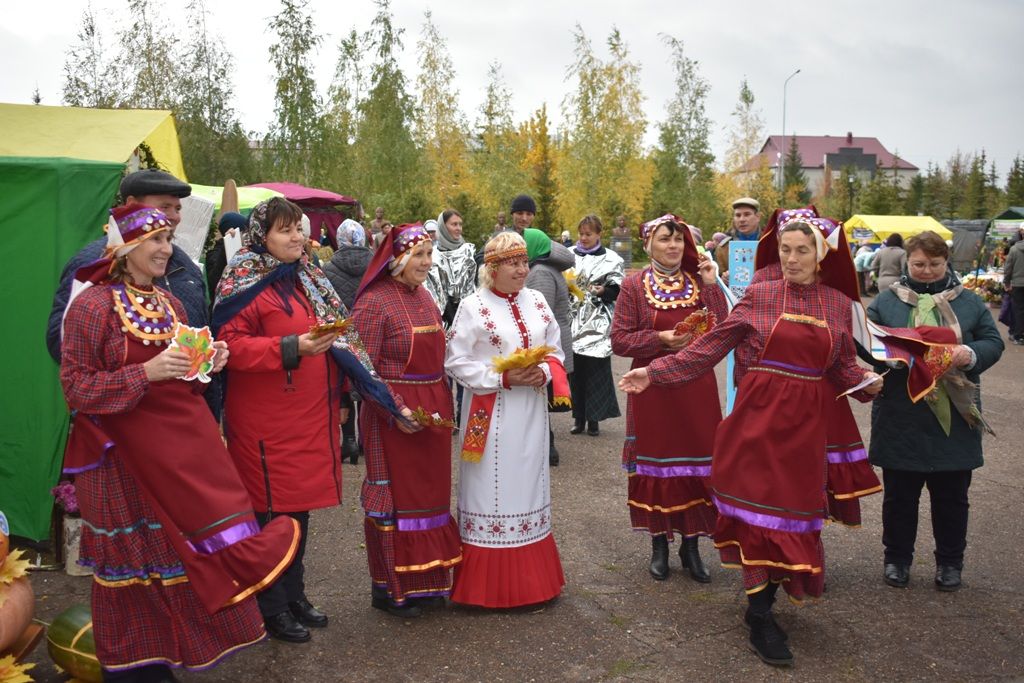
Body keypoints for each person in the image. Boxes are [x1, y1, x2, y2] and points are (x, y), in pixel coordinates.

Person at [620, 216, 885, 667]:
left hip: (806, 430)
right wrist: (654, 372)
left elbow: (841, 366)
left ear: (821, 254)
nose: (792, 259)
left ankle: (768, 597)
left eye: (802, 250)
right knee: (756, 519)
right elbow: (710, 346)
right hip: (756, 425)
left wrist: (865, 382)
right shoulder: (759, 295)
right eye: (785, 250)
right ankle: (760, 615)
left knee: (795, 519)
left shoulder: (839, 305)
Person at [60, 204, 301, 682]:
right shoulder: (91, 307)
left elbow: (187, 382)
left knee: (173, 562)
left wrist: (210, 362)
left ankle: (165, 662)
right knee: (130, 569)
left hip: (171, 460)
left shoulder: (170, 306)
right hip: (117, 463)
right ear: (125, 249)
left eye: (169, 240)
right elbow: (76, 389)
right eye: (156, 241)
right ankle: (131, 672)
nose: (166, 250)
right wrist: (143, 374)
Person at [213, 197, 400, 643]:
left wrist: (340, 395)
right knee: (271, 514)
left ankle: (293, 594)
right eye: (286, 231)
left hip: (307, 415)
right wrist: (290, 348)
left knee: (297, 511)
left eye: (300, 228)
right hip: (265, 423)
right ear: (263, 237)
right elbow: (230, 348)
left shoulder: (308, 278)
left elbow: (337, 340)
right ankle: (270, 605)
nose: (298, 237)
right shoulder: (243, 281)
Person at [868, 231, 1003, 591]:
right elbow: (865, 341)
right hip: (901, 411)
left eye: (934, 264)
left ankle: (950, 563)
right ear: (907, 263)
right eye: (919, 264)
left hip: (955, 415)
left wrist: (968, 354)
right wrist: (884, 357)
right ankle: (896, 559)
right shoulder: (886, 301)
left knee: (952, 497)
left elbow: (992, 341)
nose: (926, 271)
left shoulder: (970, 303)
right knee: (899, 496)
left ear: (947, 264)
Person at [445, 231, 568, 608]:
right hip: (489, 415)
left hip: (530, 413)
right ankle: (485, 589)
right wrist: (501, 377)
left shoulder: (538, 301)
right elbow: (455, 361)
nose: (521, 270)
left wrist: (544, 373)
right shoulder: (471, 306)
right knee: (489, 493)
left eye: (523, 262)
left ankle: (535, 584)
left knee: (529, 485)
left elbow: (555, 348)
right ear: (492, 269)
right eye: (512, 263)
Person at [350, 223, 463, 617]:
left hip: (432, 412)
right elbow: (362, 369)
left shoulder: (426, 297)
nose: (427, 263)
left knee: (430, 497)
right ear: (398, 258)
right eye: (419, 255)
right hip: (391, 417)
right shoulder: (374, 302)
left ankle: (429, 581)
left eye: (430, 255)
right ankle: (391, 588)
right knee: (396, 500)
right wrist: (393, 409)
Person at [610, 214, 728, 583]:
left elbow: (722, 328)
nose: (673, 246)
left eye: (678, 240)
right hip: (652, 388)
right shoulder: (633, 285)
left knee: (695, 463)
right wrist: (659, 339)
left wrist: (711, 285)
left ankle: (691, 545)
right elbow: (619, 340)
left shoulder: (698, 281)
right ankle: (659, 544)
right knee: (658, 463)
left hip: (696, 385)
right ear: (649, 244)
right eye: (665, 239)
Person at [323, 222, 375, 464]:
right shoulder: (376, 264)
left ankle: (350, 440)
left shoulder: (328, 268)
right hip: (371, 331)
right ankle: (368, 439)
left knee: (345, 383)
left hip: (343, 333)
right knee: (369, 381)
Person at [523, 228, 576, 465]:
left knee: (540, 397)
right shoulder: (547, 268)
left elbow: (538, 315)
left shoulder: (540, 273)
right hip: (556, 339)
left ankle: (547, 448)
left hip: (547, 344)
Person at [568, 215, 624, 437]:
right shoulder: (569, 255)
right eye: (581, 233)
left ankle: (594, 420)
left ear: (599, 234)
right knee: (575, 372)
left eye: (588, 234)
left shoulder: (612, 259)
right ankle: (578, 417)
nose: (583, 238)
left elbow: (617, 289)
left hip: (598, 323)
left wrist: (604, 291)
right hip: (573, 321)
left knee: (597, 372)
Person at [434, 210, 478, 328]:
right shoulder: (433, 256)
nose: (459, 228)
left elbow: (473, 284)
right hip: (444, 319)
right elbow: (436, 291)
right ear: (443, 227)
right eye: (454, 224)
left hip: (470, 315)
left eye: (460, 224)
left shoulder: (468, 251)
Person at [714, 197, 762, 281]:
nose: (742, 219)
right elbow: (715, 278)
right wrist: (723, 279)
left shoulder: (769, 243)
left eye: (747, 214)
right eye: (738, 215)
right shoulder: (723, 248)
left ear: (758, 217)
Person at [205, 212, 248, 305]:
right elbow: (214, 281)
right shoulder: (215, 253)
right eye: (244, 232)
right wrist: (226, 248)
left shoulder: (244, 250)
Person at [1002, 225, 1024, 344]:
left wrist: (1006, 282)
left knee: (1018, 309)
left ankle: (1018, 335)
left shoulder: (1014, 249)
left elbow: (1008, 268)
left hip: (1017, 284)